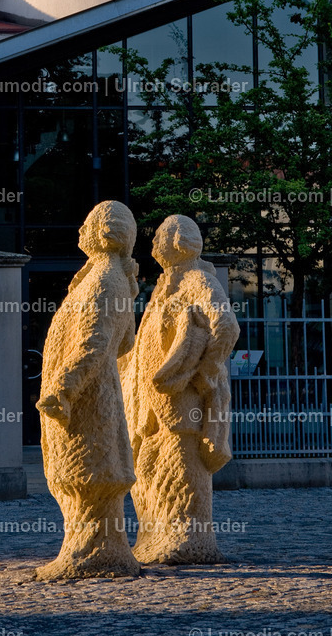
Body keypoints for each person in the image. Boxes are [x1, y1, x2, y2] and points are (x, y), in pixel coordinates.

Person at [120, 214, 240, 564]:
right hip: (151, 405)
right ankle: (154, 537)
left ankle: (186, 541)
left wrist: (204, 370)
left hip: (182, 403)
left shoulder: (199, 280)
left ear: (175, 242)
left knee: (182, 472)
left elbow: (226, 326)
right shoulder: (164, 285)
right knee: (149, 474)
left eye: (158, 237)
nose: (153, 244)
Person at [35, 200, 140, 580]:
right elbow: (125, 342)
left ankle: (94, 553)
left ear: (98, 231)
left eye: (85, 224)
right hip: (94, 393)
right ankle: (93, 550)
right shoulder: (108, 276)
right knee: (83, 471)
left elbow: (94, 342)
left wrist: (63, 389)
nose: (80, 231)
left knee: (87, 472)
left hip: (86, 398)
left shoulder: (104, 278)